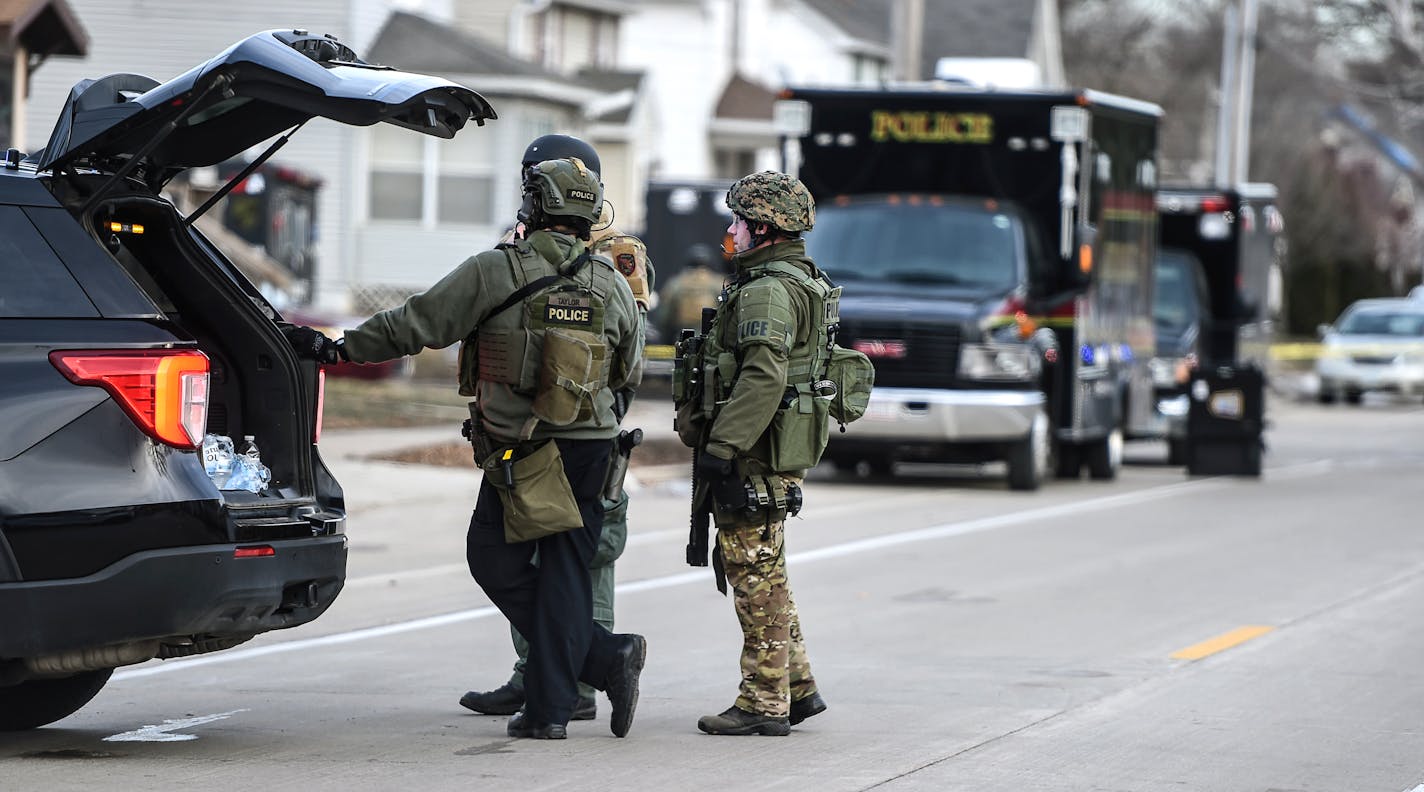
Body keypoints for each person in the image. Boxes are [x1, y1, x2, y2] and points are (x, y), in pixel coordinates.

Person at [281, 155, 647, 741]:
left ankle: (589, 674)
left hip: (521, 449)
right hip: (591, 448)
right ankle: (584, 677)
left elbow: (415, 323)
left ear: (534, 204)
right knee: (566, 571)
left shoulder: (495, 271)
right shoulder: (610, 282)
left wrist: (336, 350)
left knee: (494, 559)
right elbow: (629, 368)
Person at [460, 134, 655, 723]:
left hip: (584, 434)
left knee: (580, 562)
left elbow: (624, 350)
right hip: (528, 436)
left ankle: (577, 682)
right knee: (526, 558)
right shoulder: (520, 253)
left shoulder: (615, 258)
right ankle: (543, 673)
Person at [684, 171, 831, 736]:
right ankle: (798, 686)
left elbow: (763, 377)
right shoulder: (794, 278)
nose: (731, 230)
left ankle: (763, 701)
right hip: (769, 449)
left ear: (763, 227)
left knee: (752, 575)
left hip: (753, 454)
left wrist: (722, 447)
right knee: (768, 569)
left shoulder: (768, 289)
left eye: (740, 221)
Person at [659, 242, 726, 340]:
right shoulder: (718, 283)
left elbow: (664, 317)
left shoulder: (676, 283)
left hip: (682, 337)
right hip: (712, 338)